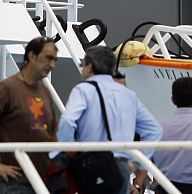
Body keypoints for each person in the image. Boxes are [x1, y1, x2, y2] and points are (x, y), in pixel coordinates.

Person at [58, 45, 162, 194]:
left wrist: (63, 155)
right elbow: (154, 130)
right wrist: (139, 163)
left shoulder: (83, 90)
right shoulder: (128, 94)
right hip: (121, 168)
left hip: (91, 165)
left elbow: (68, 121)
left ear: (90, 67)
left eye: (83, 65)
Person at [0, 37, 59, 194]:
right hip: (17, 184)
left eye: (55, 60)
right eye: (48, 58)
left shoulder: (45, 92)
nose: (52, 65)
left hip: (44, 181)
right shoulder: (7, 88)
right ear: (32, 56)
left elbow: (53, 132)